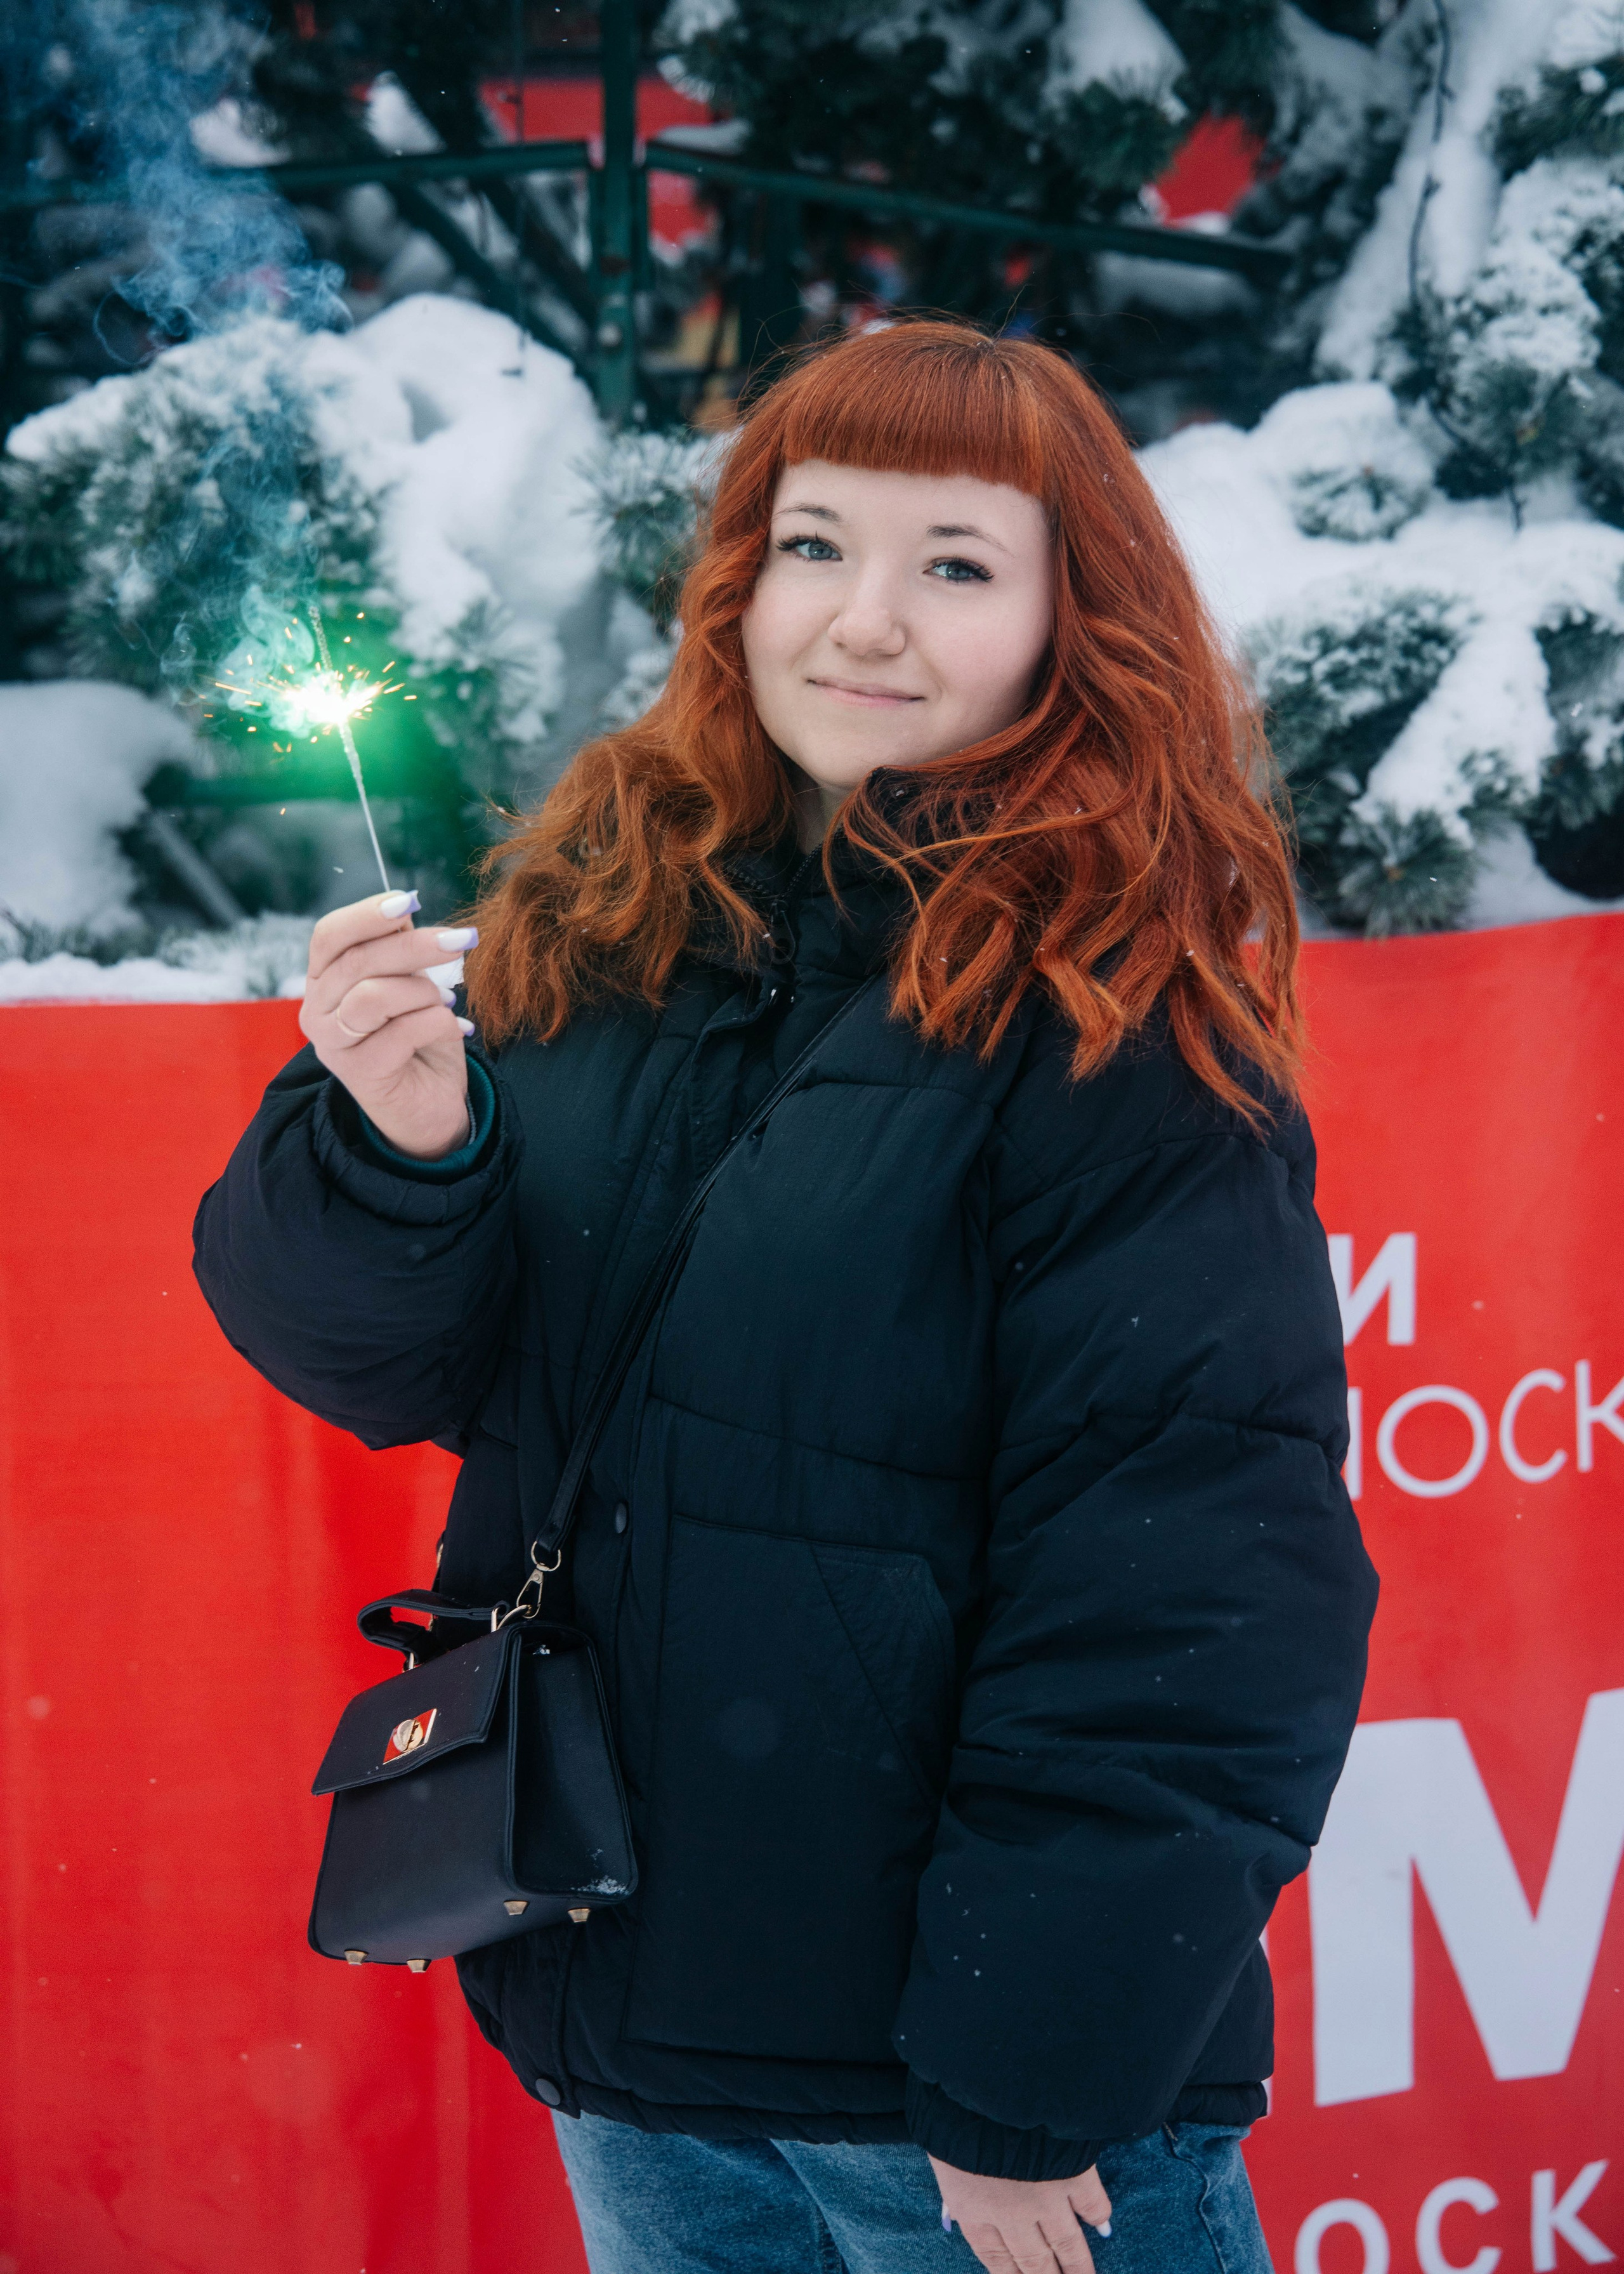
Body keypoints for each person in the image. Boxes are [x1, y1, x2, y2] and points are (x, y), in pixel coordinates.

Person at [195, 320, 1375, 2274]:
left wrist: (1025, 2077)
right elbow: (394, 1365)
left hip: (967, 2115)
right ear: (741, 578)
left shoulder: (1116, 1028)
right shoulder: (617, 921)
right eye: (817, 545)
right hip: (635, 2053)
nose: (866, 620)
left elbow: (1189, 1609)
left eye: (958, 565)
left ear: (1075, 620)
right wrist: (397, 1155)